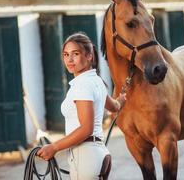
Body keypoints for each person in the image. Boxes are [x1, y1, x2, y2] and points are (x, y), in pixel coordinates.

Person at [37, 32, 126, 180]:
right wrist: (122, 99)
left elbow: (86, 129)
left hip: (86, 157)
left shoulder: (82, 85)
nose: (69, 60)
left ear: (89, 56)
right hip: (99, 155)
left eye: (75, 54)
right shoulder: (96, 81)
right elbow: (115, 106)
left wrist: (53, 147)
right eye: (66, 55)